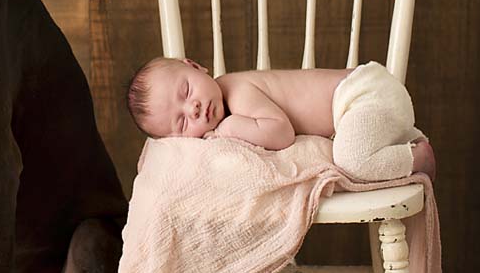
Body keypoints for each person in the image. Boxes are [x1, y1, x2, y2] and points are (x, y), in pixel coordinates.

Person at [126, 56, 436, 182]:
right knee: (355, 145)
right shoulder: (226, 101)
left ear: (194, 65)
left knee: (351, 160)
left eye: (186, 90)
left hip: (364, 93)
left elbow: (281, 133)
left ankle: (417, 156)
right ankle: (397, 138)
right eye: (182, 123)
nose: (192, 109)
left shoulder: (236, 90)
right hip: (363, 106)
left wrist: (230, 129)